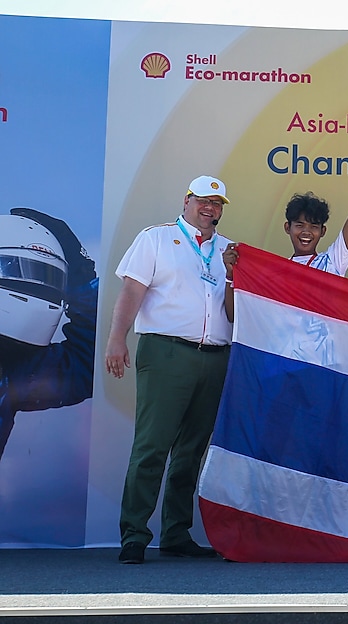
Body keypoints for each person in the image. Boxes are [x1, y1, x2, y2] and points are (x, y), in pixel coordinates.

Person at [105, 176, 236, 564]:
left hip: (214, 356)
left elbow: (234, 308)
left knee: (192, 450)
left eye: (217, 203)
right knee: (152, 446)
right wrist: (117, 339)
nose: (210, 208)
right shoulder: (155, 239)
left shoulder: (229, 249)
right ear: (187, 200)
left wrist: (232, 273)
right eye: (203, 201)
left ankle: (176, 533)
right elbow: (131, 292)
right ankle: (134, 535)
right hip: (166, 352)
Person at [0, 209, 98, 460]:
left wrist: (82, 274)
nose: (36, 285)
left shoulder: (17, 366)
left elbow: (87, 367)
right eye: (18, 269)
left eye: (48, 276)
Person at [279, 143, 348, 276]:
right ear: (288, 227)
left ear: (323, 231)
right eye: (300, 225)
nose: (306, 232)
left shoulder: (331, 263)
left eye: (314, 226)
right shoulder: (276, 272)